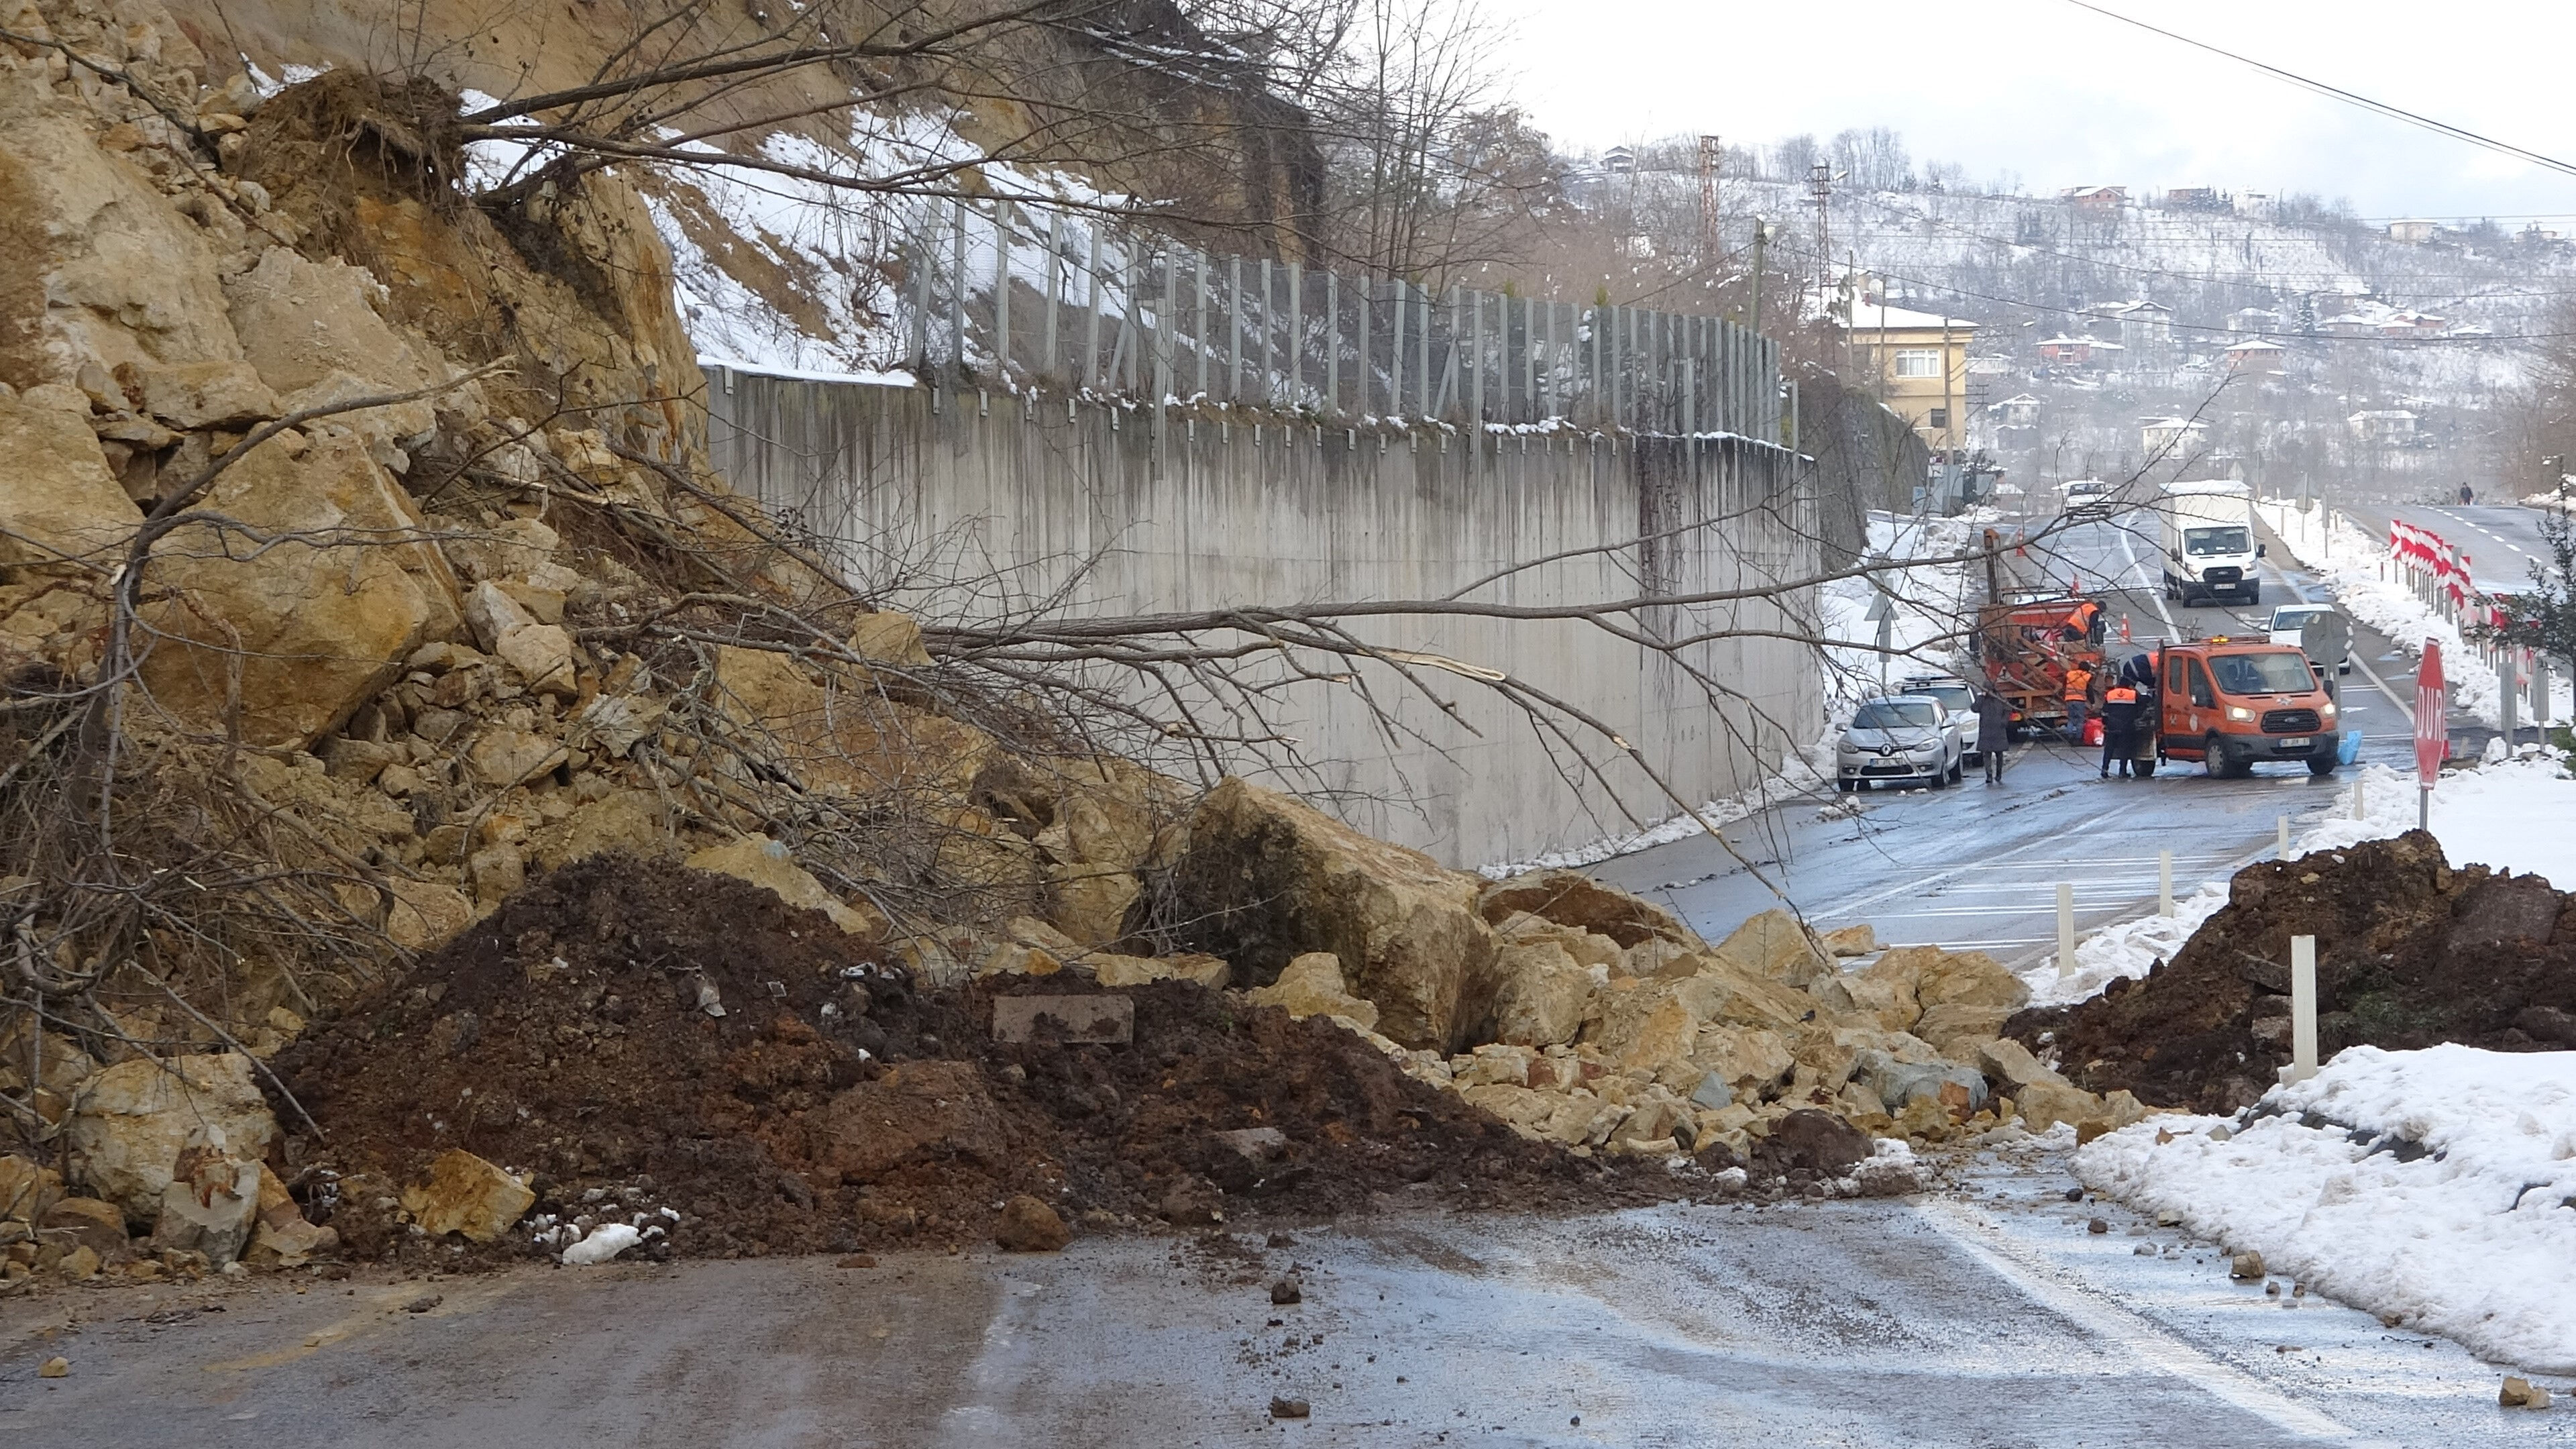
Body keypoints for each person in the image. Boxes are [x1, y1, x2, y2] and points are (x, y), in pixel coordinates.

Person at [2100, 679, 2144, 778]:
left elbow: (2104, 711)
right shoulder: (2133, 694)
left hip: (2112, 726)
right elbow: (2143, 704)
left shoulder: (2110, 694)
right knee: (2125, 749)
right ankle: (2122, 771)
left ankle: (2104, 770)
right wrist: (2136, 716)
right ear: (2129, 685)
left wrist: (2105, 723)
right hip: (2127, 726)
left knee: (2109, 749)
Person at [1975, 690, 2013, 784]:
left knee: (1999, 754)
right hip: (1986, 731)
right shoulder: (1982, 700)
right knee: (1986, 754)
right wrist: (1981, 697)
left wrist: (2003, 722)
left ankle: (1998, 774)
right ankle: (1989, 775)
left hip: (1998, 730)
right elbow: (1975, 708)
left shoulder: (2000, 698)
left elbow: (2008, 709)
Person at [2061, 661, 2094, 744]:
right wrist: (2092, 702)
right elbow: (2089, 690)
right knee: (2080, 720)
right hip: (2080, 700)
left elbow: (2064, 686)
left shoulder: (2070, 674)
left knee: (2071, 719)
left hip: (2069, 699)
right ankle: (2078, 739)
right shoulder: (2087, 676)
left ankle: (2070, 736)